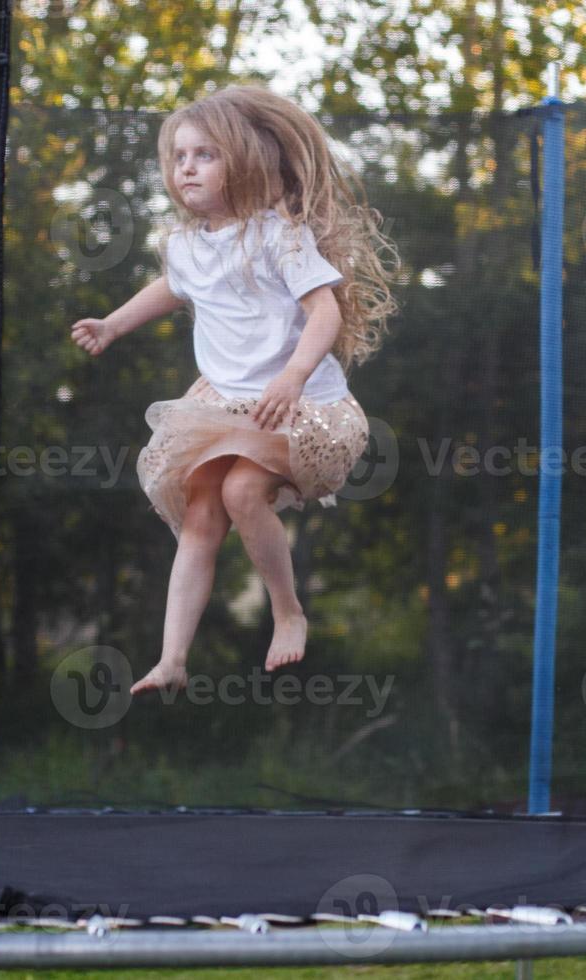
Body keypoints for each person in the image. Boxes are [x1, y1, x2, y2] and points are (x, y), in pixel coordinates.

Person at [69, 84, 401, 696]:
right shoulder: (188, 244)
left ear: (243, 162)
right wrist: (113, 324)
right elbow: (171, 288)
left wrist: (294, 375)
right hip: (224, 404)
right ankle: (172, 658)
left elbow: (324, 315)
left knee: (245, 491)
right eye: (179, 157)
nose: (186, 167)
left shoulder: (280, 235)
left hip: (305, 408)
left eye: (205, 155)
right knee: (201, 513)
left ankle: (286, 610)